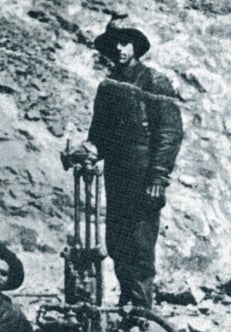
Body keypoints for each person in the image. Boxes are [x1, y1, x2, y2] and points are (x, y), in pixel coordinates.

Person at [78, 12, 183, 308]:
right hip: (116, 177)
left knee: (139, 244)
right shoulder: (107, 87)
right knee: (117, 243)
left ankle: (139, 311)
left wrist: (158, 178)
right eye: (114, 45)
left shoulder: (154, 81)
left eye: (125, 43)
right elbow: (98, 134)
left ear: (136, 46)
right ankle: (127, 304)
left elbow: (170, 133)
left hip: (144, 177)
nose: (120, 50)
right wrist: (88, 150)